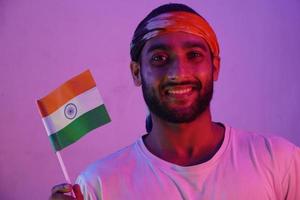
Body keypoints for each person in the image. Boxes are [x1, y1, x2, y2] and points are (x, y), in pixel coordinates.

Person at [50, 3, 300, 200]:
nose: (178, 73)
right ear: (137, 73)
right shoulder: (97, 185)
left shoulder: (280, 162)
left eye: (194, 55)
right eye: (159, 58)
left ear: (215, 67)